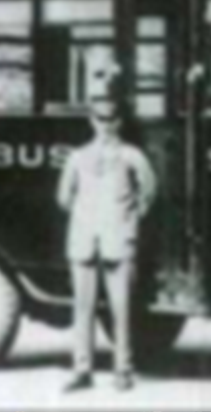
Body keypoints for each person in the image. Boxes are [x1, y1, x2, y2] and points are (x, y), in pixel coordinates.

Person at [57, 67, 158, 393]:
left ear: (121, 121)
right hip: (84, 243)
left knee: (122, 310)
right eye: (100, 119)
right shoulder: (77, 158)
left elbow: (149, 192)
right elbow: (63, 197)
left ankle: (123, 370)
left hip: (119, 240)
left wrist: (129, 219)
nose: (106, 125)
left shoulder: (133, 156)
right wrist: (85, 216)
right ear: (91, 120)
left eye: (112, 119)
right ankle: (81, 369)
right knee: (82, 309)